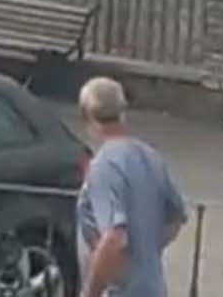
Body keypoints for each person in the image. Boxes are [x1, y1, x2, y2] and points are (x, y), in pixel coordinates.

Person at [75, 77, 186, 297]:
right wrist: (147, 249)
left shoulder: (104, 166)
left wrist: (89, 293)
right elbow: (176, 217)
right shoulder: (150, 156)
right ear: (123, 113)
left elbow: (114, 239)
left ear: (87, 117)